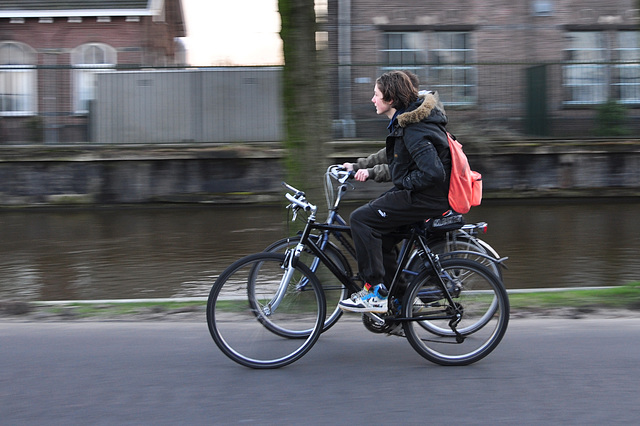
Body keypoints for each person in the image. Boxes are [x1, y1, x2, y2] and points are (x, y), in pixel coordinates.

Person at [338, 70, 452, 313]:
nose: (372, 99)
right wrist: (359, 166)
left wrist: (402, 183)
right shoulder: (406, 122)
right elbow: (393, 156)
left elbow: (433, 173)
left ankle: (374, 292)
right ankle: (401, 301)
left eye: (376, 94)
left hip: (425, 198)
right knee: (382, 238)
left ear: (390, 99)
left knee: (360, 219)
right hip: (422, 195)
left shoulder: (414, 129)